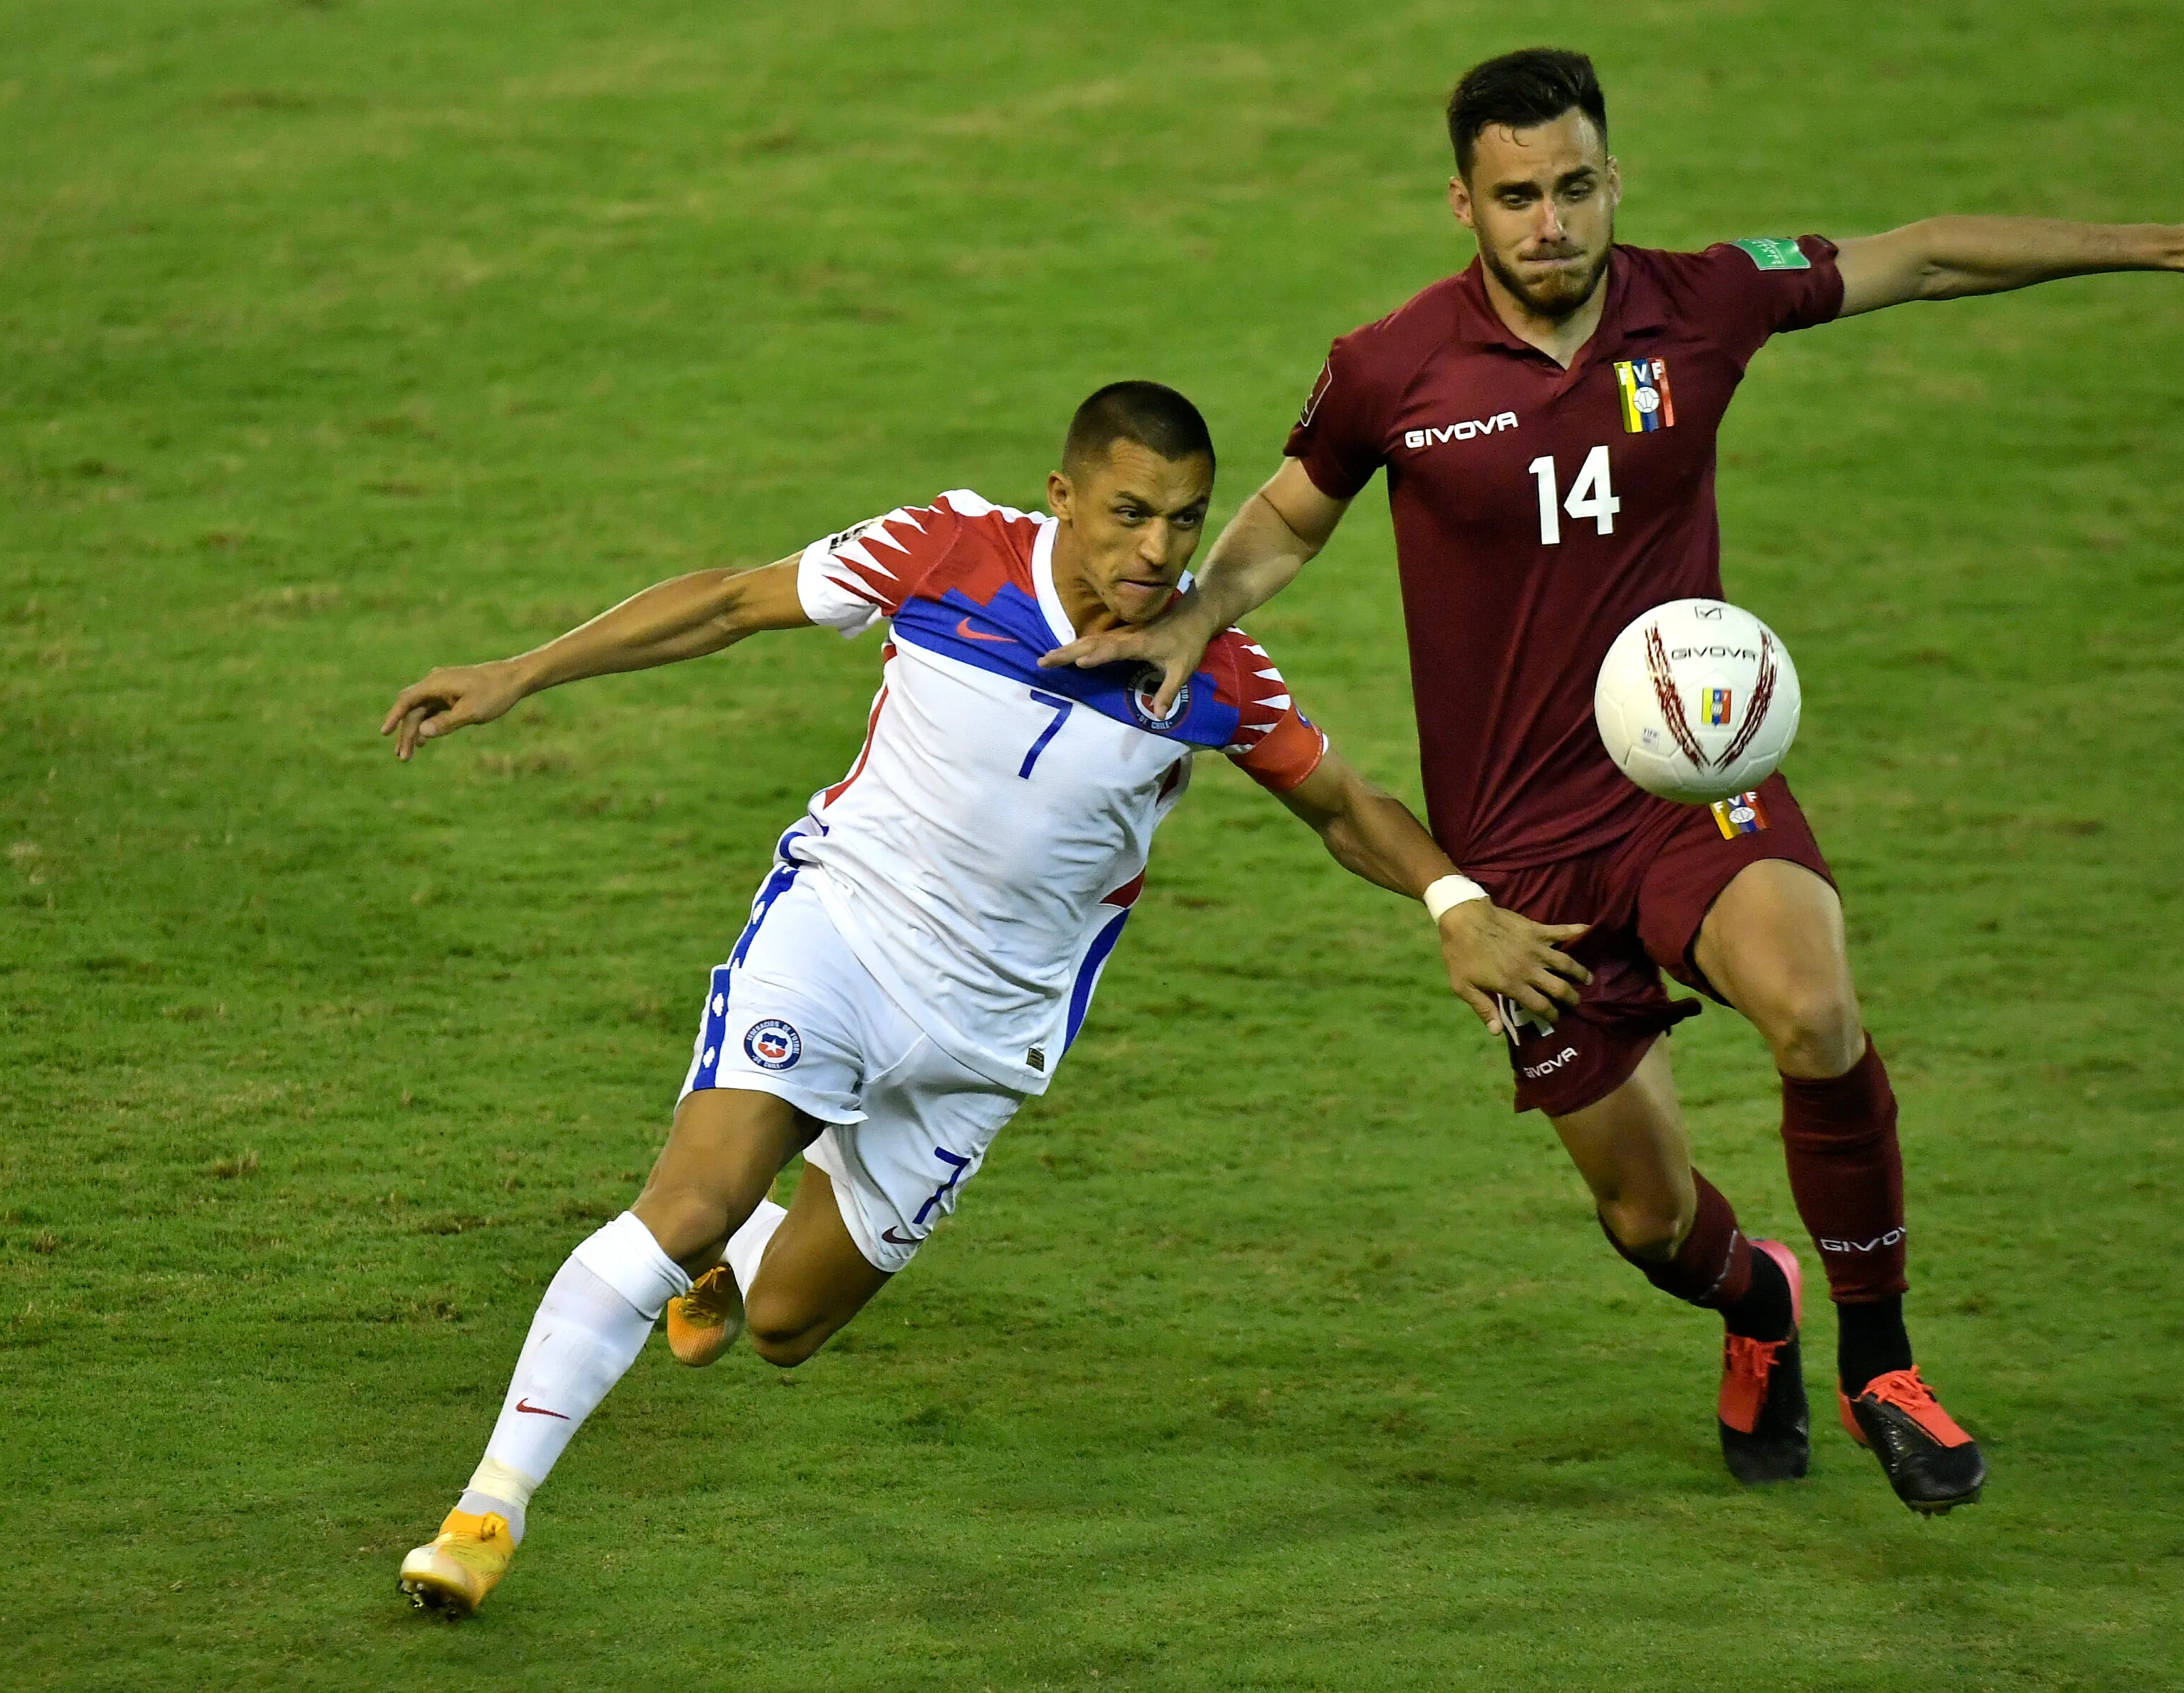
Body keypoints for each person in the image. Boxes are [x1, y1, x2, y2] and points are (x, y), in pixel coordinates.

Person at [1045, 50, 2184, 1513]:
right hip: (1520, 856)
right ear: (1466, 202)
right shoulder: (1391, 366)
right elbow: (1286, 517)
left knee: (1815, 1007)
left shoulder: (1704, 300)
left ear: (1613, 180)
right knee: (1646, 1221)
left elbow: (1928, 258)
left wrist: (2167, 241)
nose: (1550, 224)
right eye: (1517, 197)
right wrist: (1193, 618)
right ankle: (1757, 1303)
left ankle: (1879, 1360)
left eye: (1575, 188)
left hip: (1694, 791)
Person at [378, 380, 1589, 1616]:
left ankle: (743, 1249)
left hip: (985, 1043)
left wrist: (1455, 905)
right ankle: (488, 1513)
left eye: (1185, 521)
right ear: (1062, 497)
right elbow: (735, 603)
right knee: (684, 1204)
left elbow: (1343, 805)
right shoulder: (944, 548)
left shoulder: (1210, 669)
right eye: (1129, 514)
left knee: (787, 1325)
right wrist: (519, 674)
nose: (1159, 551)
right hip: (838, 938)